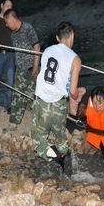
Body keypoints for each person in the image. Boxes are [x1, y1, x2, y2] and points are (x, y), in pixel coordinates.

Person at [31, 21, 82, 170]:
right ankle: (66, 164)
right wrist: (79, 93)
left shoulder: (47, 50)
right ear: (72, 34)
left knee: (39, 141)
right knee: (60, 137)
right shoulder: (76, 59)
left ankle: (54, 157)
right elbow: (73, 92)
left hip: (41, 102)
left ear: (57, 38)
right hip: (59, 104)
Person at [4, 8, 40, 126]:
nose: (6, 24)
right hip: (20, 70)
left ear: (12, 18)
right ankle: (14, 123)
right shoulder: (13, 34)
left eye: (6, 21)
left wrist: (35, 67)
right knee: (17, 95)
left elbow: (37, 47)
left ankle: (40, 123)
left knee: (33, 97)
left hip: (31, 68)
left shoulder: (28, 28)